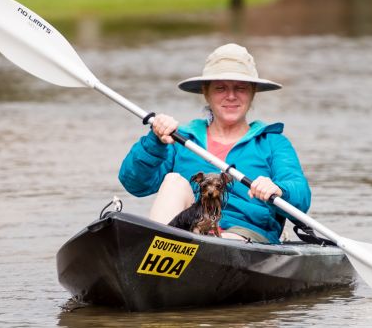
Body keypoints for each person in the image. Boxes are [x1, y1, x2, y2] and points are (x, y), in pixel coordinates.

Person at [118, 43, 310, 244]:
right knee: (174, 181)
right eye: (220, 88)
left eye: (240, 88)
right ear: (206, 92)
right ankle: (157, 251)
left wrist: (279, 189)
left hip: (244, 236)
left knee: (222, 240)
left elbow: (301, 200)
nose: (231, 96)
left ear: (253, 92)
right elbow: (135, 184)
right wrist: (155, 141)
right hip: (186, 232)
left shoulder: (273, 142)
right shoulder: (180, 139)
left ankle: (193, 250)